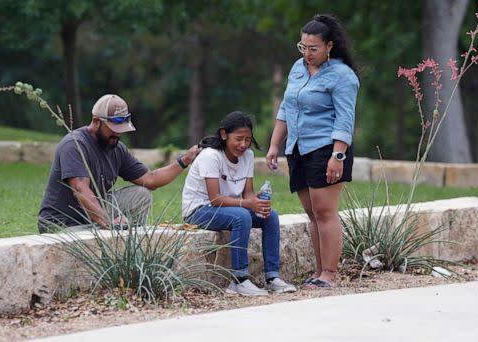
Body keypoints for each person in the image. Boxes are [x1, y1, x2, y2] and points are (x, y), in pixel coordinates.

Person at [266, 14, 360, 288]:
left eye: (313, 48)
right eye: (303, 47)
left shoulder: (343, 76)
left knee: (325, 211)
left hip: (326, 148)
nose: (307, 53)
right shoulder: (298, 68)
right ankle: (319, 271)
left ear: (329, 45)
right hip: (298, 148)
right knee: (311, 213)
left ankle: (329, 274)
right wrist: (275, 144)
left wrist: (337, 156)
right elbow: (286, 107)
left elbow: (345, 119)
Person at [38, 94, 200, 233]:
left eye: (122, 128)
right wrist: (108, 222)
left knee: (141, 195)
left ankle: (128, 245)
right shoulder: (74, 144)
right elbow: (81, 190)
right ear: (96, 121)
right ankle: (110, 235)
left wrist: (185, 160)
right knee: (98, 232)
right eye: (113, 127)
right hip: (62, 222)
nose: (118, 133)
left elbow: (150, 180)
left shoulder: (116, 147)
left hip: (90, 217)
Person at [182, 111, 297, 296]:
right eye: (238, 139)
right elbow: (215, 199)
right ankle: (239, 280)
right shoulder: (211, 156)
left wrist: (256, 200)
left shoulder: (247, 156)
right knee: (242, 216)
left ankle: (272, 278)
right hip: (198, 210)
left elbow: (248, 194)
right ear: (223, 134)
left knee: (271, 216)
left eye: (248, 139)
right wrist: (247, 204)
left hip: (229, 208)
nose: (243, 145)